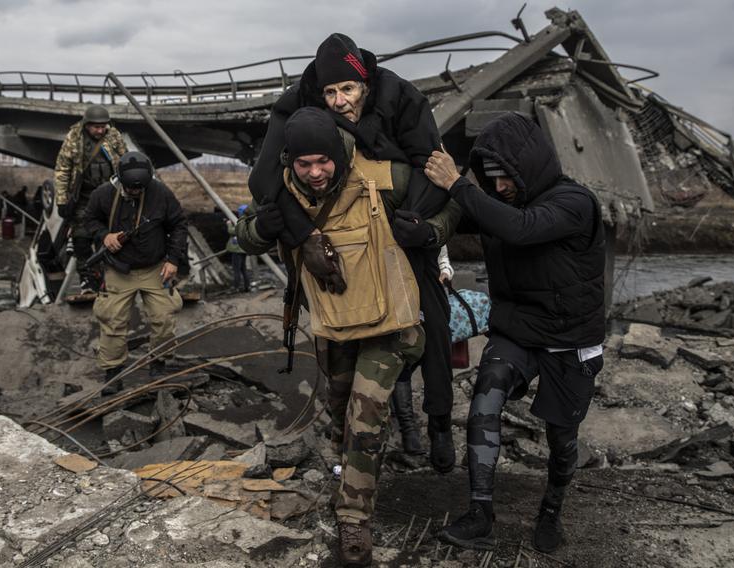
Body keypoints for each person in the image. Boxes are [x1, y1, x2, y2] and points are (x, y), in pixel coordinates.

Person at [238, 107, 457, 567]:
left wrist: (429, 232)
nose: (315, 173)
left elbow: (448, 203)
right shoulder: (281, 191)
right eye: (304, 164)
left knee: (366, 412)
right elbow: (245, 235)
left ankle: (354, 520)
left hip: (393, 325)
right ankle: (347, 471)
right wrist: (261, 228)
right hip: (334, 326)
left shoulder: (385, 177)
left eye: (323, 161)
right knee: (339, 411)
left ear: (337, 153)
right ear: (290, 162)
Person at [248, 32, 457, 473]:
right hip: (335, 228)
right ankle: (344, 436)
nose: (340, 102)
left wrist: (415, 225)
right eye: (330, 92)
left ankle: (439, 423)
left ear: (366, 84)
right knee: (342, 338)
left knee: (433, 323)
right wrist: (306, 234)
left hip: (394, 216)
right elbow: (266, 183)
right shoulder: (297, 107)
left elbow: (433, 169)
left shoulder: (401, 98)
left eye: (348, 89)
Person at [424, 112, 606, 553]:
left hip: (571, 337)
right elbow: (451, 215)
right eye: (491, 178)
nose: (500, 186)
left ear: (530, 165)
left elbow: (522, 229)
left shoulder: (574, 202)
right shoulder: (491, 199)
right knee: (484, 403)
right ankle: (480, 513)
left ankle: (551, 511)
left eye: (506, 176)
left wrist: (459, 184)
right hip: (518, 330)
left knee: (562, 440)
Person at [86, 151, 188, 382]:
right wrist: (104, 236)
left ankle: (158, 365)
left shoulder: (160, 193)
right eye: (130, 189)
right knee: (112, 320)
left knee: (164, 317)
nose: (134, 192)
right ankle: (113, 372)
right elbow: (90, 219)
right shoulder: (102, 194)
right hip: (118, 269)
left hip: (155, 267)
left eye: (139, 189)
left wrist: (173, 260)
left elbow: (179, 224)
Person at [54, 104, 128, 293]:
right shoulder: (74, 138)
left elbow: (126, 159)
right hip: (83, 198)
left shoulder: (113, 136)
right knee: (81, 239)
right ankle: (88, 280)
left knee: (108, 238)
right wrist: (62, 200)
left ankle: (108, 280)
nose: (100, 130)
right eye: (96, 126)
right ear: (87, 125)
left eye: (103, 126)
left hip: (109, 197)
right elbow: (63, 169)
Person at [391, 244, 454, 455]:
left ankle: (440, 427)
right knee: (402, 362)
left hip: (430, 293)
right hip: (396, 291)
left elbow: (443, 257)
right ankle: (408, 428)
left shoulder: (432, 225)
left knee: (436, 357)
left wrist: (445, 271)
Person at [226, 204, 251, 292]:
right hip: (243, 250)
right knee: (243, 269)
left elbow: (232, 231)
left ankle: (236, 287)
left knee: (236, 269)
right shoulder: (249, 221)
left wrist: (229, 224)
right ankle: (246, 287)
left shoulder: (242, 222)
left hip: (237, 250)